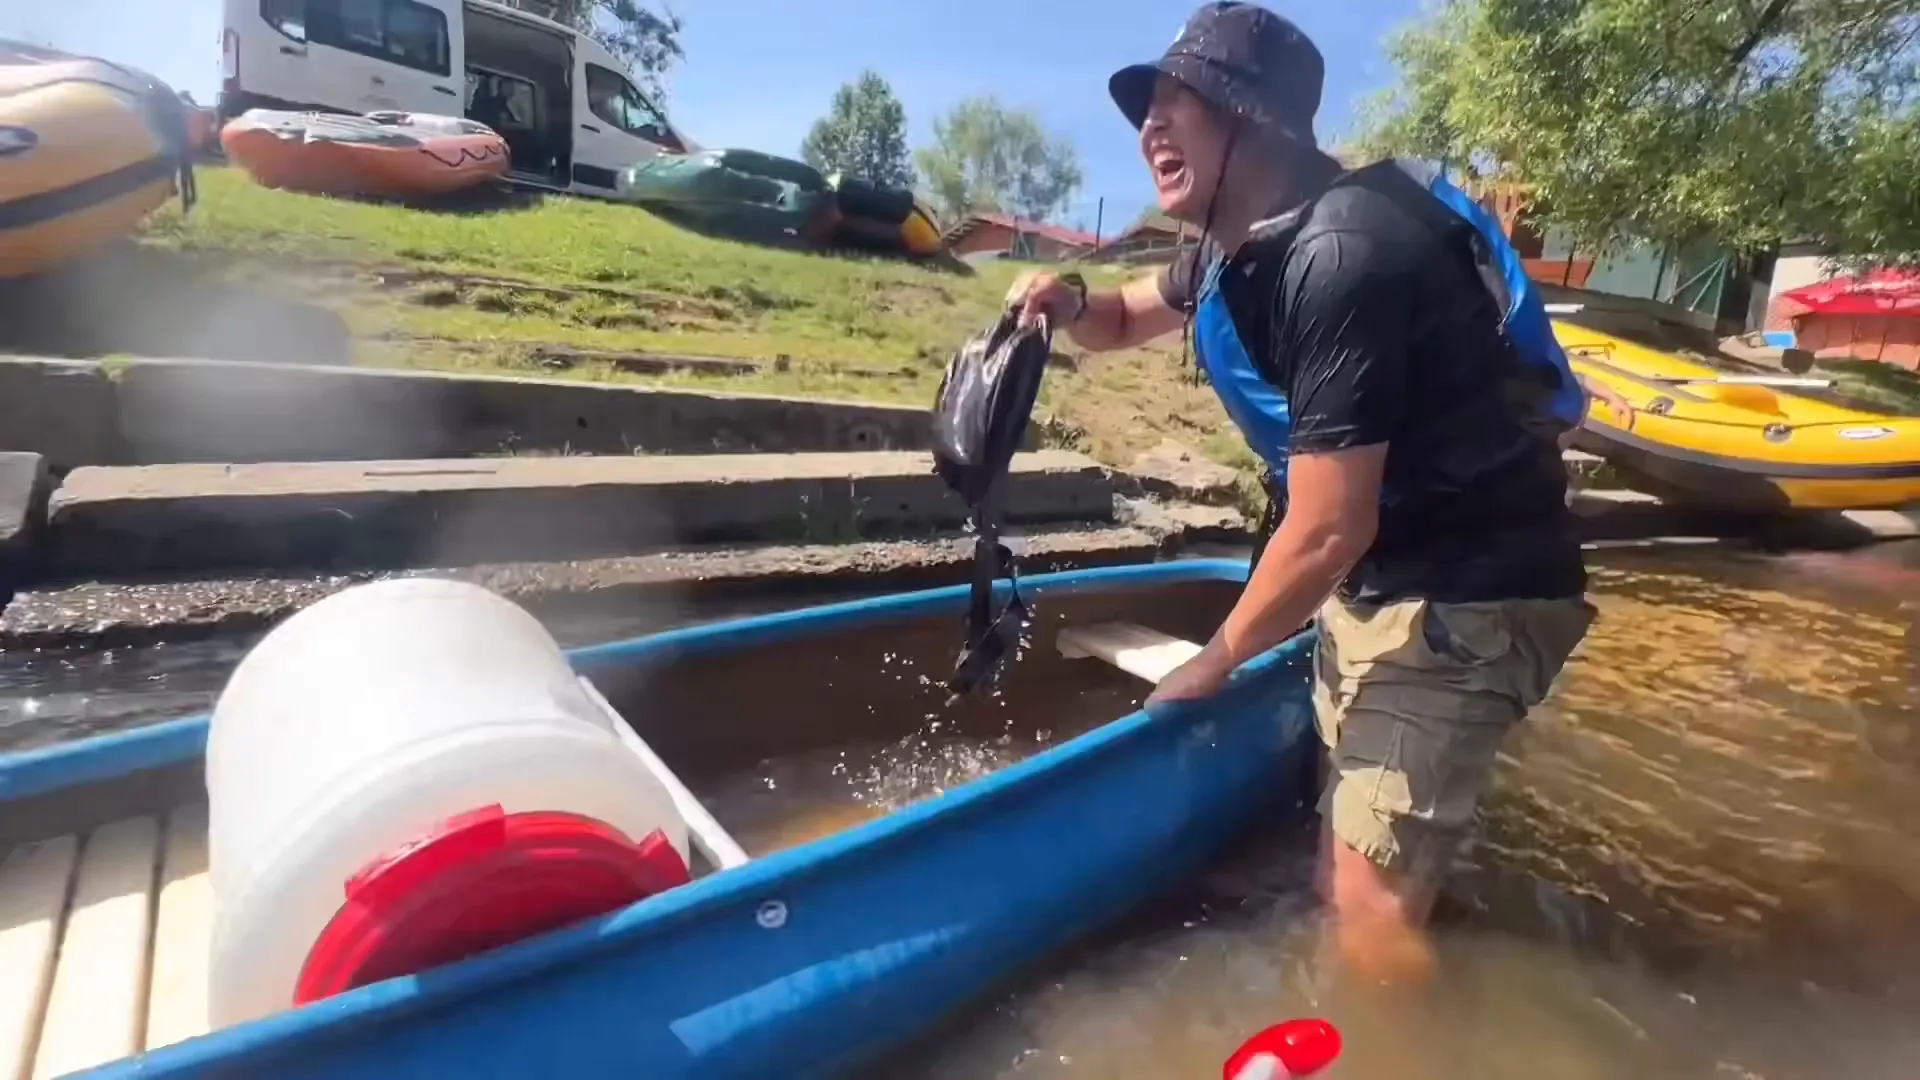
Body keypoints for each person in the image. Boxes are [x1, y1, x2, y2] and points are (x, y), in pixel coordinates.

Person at [1009, 1, 1599, 983]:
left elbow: (1330, 523)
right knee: (1362, 864)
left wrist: (1214, 659)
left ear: (1255, 119)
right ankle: (1429, 907)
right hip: (1386, 573)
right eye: (1144, 108)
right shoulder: (1222, 250)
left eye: (1178, 102)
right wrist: (1066, 298)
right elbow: (1116, 319)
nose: (1150, 127)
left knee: (1364, 918)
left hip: (1463, 590)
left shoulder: (1344, 254)